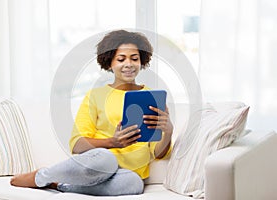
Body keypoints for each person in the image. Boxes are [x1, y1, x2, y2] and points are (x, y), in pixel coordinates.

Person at [10, 29, 173, 196]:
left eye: (134, 58)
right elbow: (77, 144)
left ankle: (58, 183)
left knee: (135, 184)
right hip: (98, 166)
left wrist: (167, 131)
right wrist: (113, 142)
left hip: (126, 175)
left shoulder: (151, 97)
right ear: (110, 63)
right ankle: (41, 176)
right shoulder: (95, 96)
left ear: (142, 62)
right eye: (121, 59)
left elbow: (157, 153)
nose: (129, 64)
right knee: (107, 159)